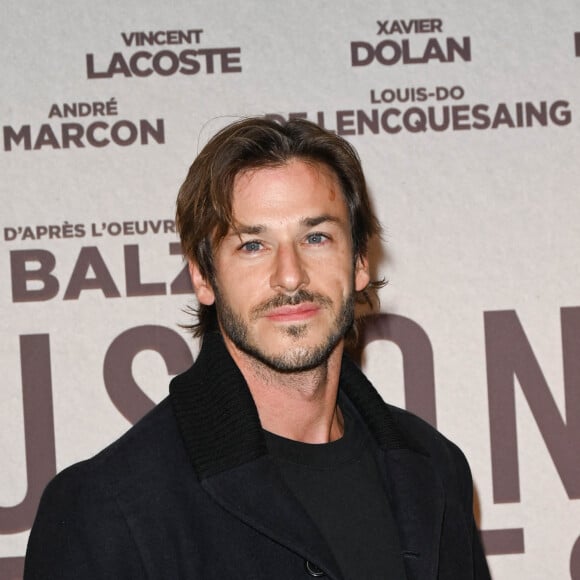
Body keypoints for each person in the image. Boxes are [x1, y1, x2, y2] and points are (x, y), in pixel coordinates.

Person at [24, 117, 490, 579]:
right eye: (253, 245)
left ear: (361, 261)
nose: (290, 276)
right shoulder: (107, 510)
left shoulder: (434, 470)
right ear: (203, 277)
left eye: (316, 238)